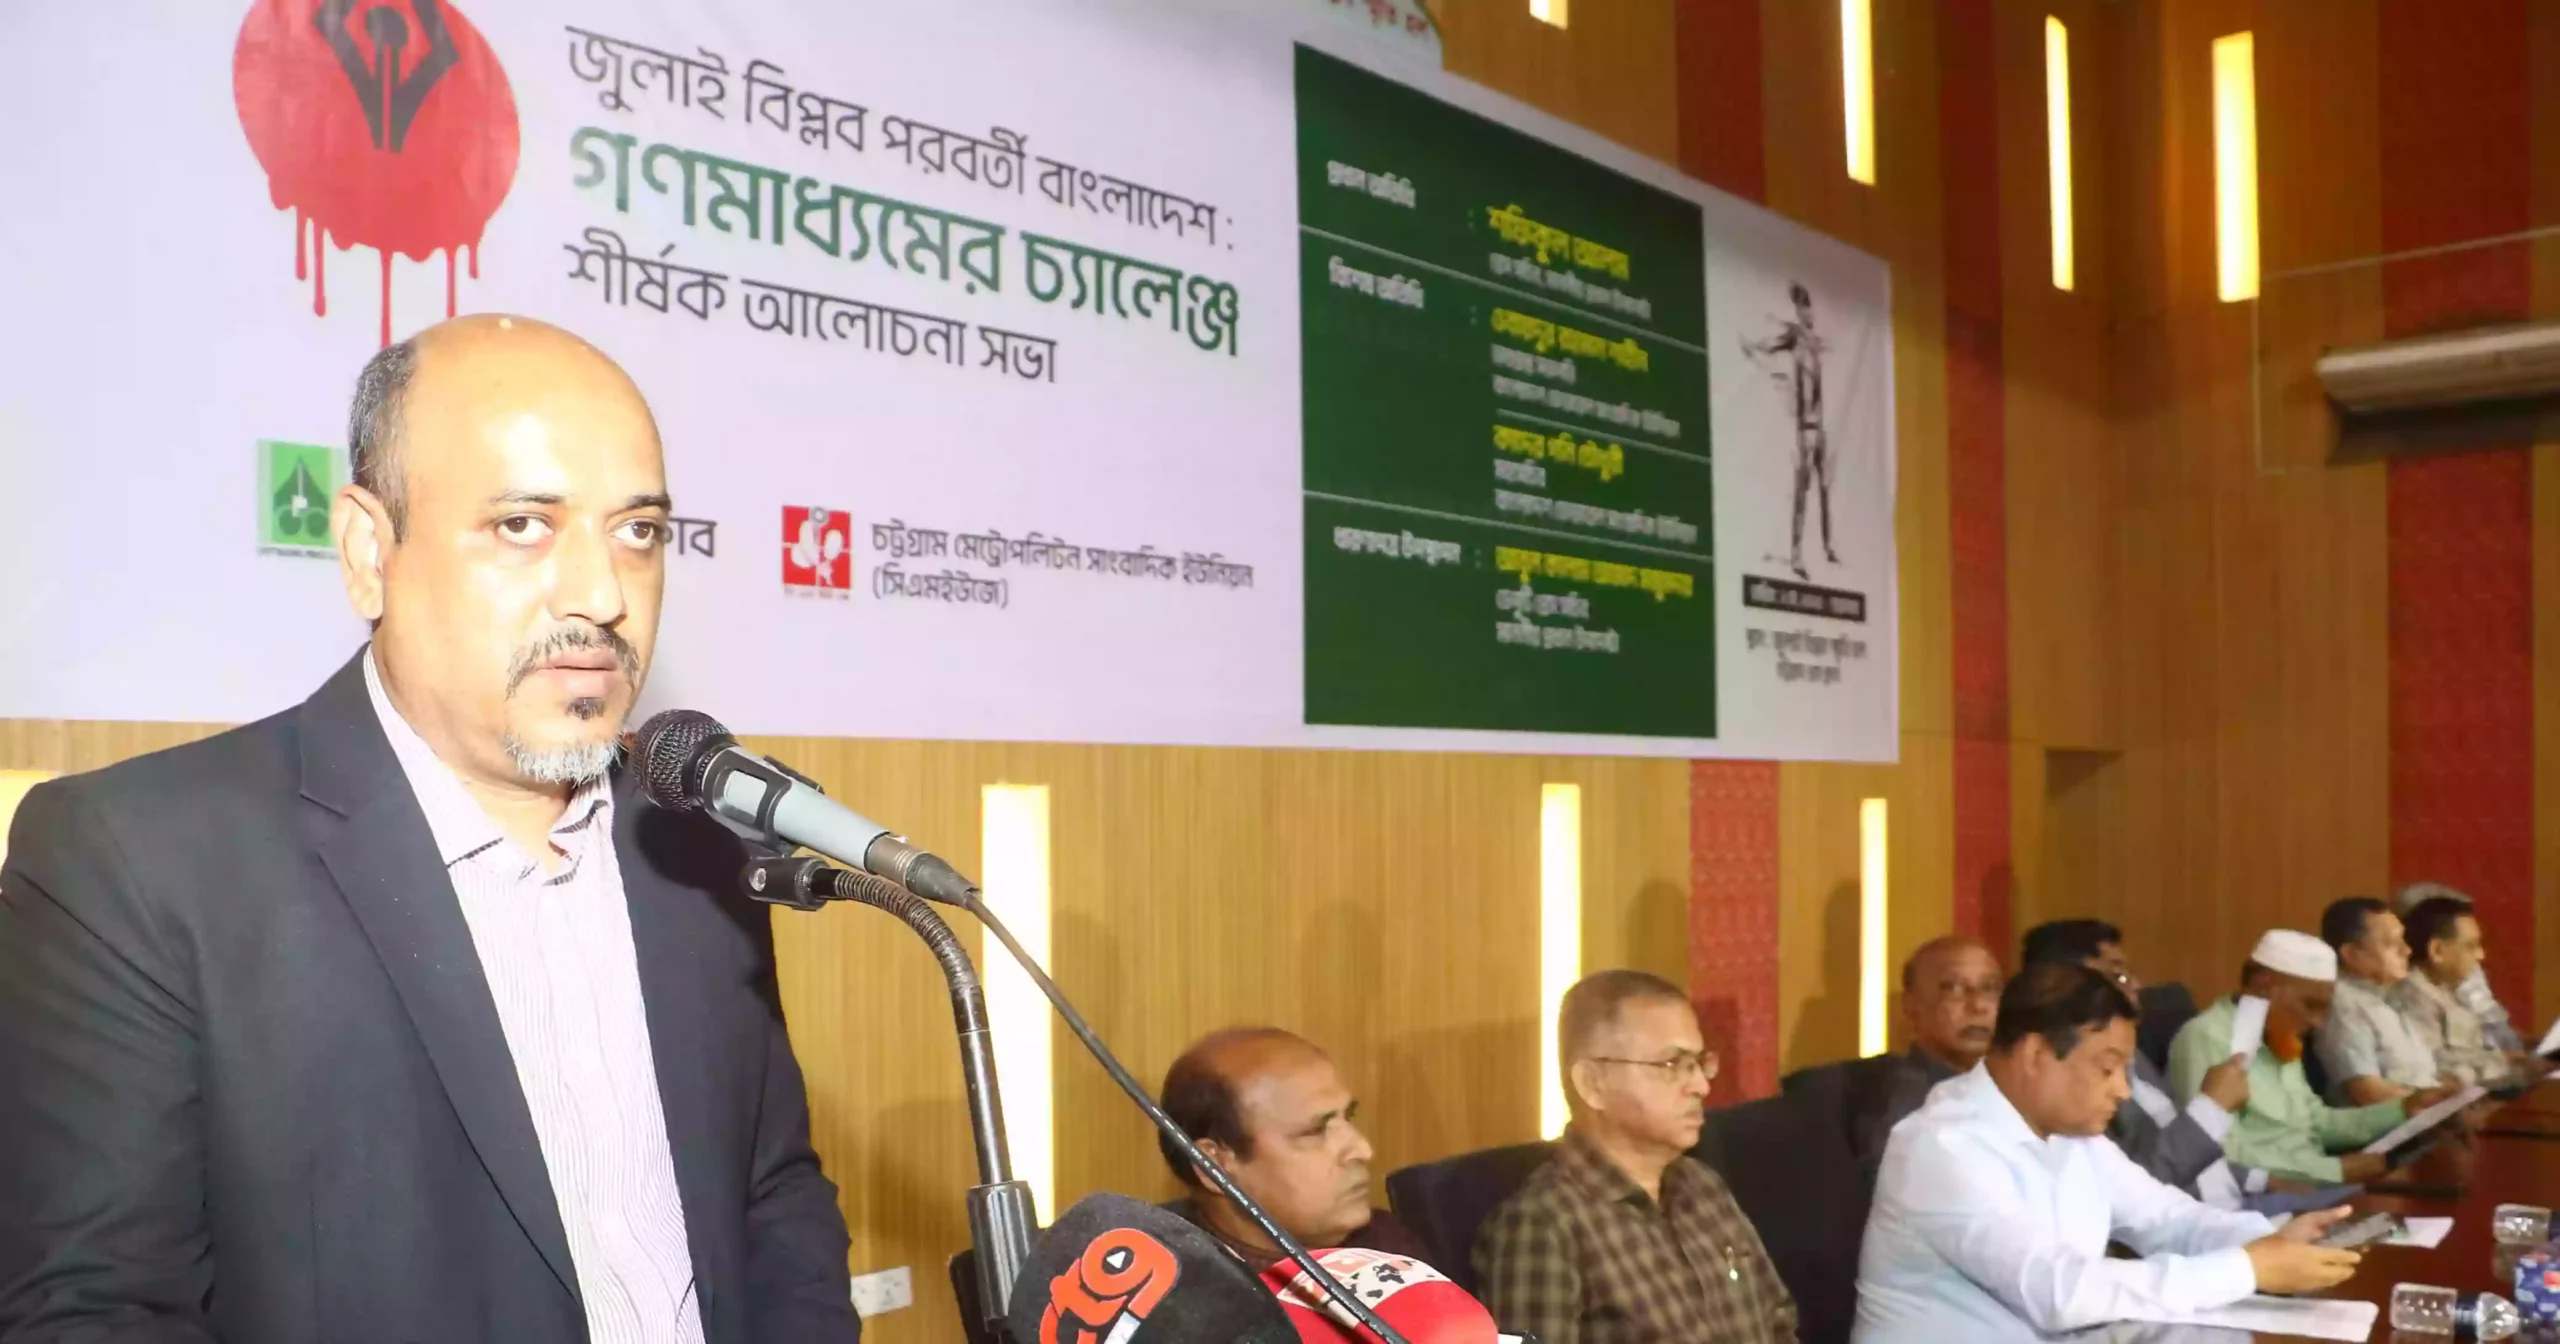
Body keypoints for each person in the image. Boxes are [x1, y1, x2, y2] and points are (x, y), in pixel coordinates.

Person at [0, 317, 859, 1342]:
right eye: (523, 525)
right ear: (370, 551)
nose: (602, 595)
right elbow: (92, 1313)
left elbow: (771, 1197)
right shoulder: (135, 865)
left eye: (637, 532)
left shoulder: (697, 836)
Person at [1854, 964, 2363, 1341]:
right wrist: (2248, 1267)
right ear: (2036, 1054)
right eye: (2107, 1068)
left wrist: (2272, 1240)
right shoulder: (1942, 1148)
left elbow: (2168, 1219)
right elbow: (2058, 1291)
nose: (2122, 1090)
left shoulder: (2075, 1135)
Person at [1476, 969, 1797, 1343]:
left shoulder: (1703, 1187)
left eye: (1698, 1063)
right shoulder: (1543, 1226)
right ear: (1593, 1084)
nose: (1700, 1085)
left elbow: (1780, 1325)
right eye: (1672, 1065)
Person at [2168, 930, 2456, 1183]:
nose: (2317, 1023)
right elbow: (2219, 1153)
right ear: (2263, 986)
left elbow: (2317, 1123)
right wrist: (2333, 1170)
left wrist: (2404, 1108)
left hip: (2314, 1182)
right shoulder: (2205, 1038)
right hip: (2263, 1196)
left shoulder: (2279, 1036)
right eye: (2310, 1005)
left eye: (2324, 1010)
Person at [2017, 920, 2264, 1209]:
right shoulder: (2062, 1079)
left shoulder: (2133, 1051)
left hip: (2226, 1206)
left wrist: (2258, 1179)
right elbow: (2129, 1195)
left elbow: (2167, 1142)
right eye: (2119, 976)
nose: (2137, 986)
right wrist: (2211, 1109)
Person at [1155, 1027, 1432, 1270]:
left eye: (1348, 1117)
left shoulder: (1384, 1244)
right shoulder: (1181, 1300)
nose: (1363, 1150)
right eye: (1314, 1131)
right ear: (1214, 1167)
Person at [1844, 935, 2003, 1170]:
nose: (1978, 1005)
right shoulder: (1904, 1106)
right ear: (1911, 1005)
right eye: (1953, 988)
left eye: (1989, 988)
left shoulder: (2015, 1089)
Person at [1740, 282, 1838, 580]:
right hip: (1805, 428)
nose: (1807, 312)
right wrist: (1754, 346)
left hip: (1819, 427)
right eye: (1802, 307)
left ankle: (1828, 546)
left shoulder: (1813, 340)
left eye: (1808, 306)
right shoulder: (1795, 336)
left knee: (1825, 489)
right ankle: (1796, 555)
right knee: (1802, 491)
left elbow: (1829, 345)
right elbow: (1771, 344)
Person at [2392, 896, 2534, 1088]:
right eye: (2471, 946)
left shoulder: (2451, 988)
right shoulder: (2411, 997)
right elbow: (2435, 1067)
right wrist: (2507, 1062)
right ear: (2437, 950)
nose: (2481, 955)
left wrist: (2530, 1048)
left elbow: (2482, 1040)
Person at [2314, 896, 2443, 1104]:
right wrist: (2437, 1105)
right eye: (2392, 943)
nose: (2407, 950)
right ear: (2351, 954)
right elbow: (2368, 1093)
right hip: (2393, 1123)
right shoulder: (2344, 1005)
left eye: (2403, 941)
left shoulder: (2389, 995)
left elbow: (2419, 1076)